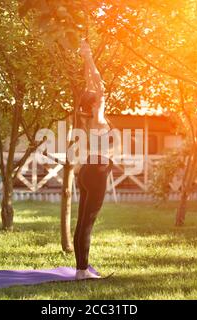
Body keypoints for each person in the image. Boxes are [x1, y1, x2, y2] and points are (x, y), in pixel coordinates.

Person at [73, 40, 113, 280]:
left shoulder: (89, 117)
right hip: (97, 171)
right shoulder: (97, 117)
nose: (103, 96)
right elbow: (99, 86)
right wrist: (88, 57)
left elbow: (93, 86)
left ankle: (81, 269)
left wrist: (86, 60)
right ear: (96, 102)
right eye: (100, 97)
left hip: (88, 169)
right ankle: (82, 271)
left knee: (81, 221)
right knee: (87, 222)